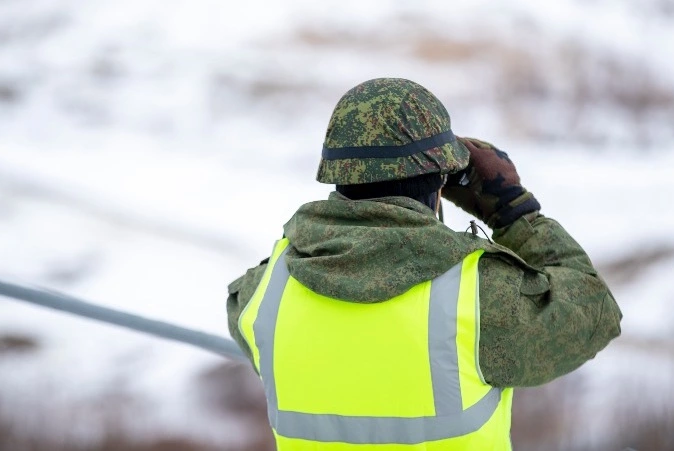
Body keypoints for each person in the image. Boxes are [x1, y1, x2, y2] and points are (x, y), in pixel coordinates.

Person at [226, 78, 622, 450]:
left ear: (338, 174)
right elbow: (596, 312)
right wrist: (514, 211)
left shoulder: (262, 296)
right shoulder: (484, 299)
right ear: (439, 185)